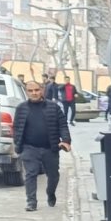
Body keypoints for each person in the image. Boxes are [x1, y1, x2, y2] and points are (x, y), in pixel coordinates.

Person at [12, 81, 71, 211]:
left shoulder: (53, 107)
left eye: (37, 90)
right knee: (31, 174)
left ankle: (50, 193)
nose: (34, 93)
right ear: (26, 92)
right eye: (30, 91)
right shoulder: (21, 108)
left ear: (42, 90)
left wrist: (66, 140)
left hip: (50, 148)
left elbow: (63, 125)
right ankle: (31, 202)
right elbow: (16, 127)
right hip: (29, 148)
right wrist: (18, 144)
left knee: (53, 175)